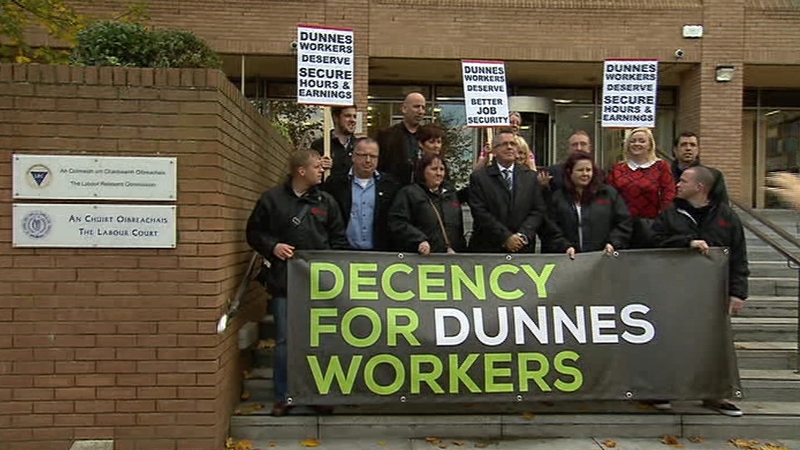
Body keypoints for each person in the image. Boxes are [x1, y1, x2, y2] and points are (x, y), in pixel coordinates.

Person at [245, 149, 350, 417]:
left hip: (319, 285)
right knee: (285, 341)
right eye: (316, 166)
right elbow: (254, 232)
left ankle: (317, 394)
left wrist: (331, 267)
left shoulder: (327, 202)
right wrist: (273, 246)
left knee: (320, 342)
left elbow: (339, 239)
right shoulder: (272, 200)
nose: (321, 170)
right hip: (285, 283)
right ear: (301, 171)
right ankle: (284, 396)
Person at [652, 165, 749, 417]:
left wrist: (738, 292)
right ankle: (663, 389)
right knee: (670, 340)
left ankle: (715, 393)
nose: (677, 184)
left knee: (713, 344)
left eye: (683, 181)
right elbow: (653, 242)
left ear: (700, 187)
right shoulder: (670, 215)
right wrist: (685, 243)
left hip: (713, 293)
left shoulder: (727, 216)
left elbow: (739, 256)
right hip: (674, 291)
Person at [468, 129, 547, 253]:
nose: (509, 147)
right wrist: (506, 237)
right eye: (504, 144)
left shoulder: (530, 177)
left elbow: (538, 210)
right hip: (489, 249)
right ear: (494, 151)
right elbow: (480, 212)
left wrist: (522, 235)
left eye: (513, 144)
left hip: (522, 249)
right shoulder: (479, 178)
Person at [542, 152, 632, 257]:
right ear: (569, 172)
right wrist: (564, 246)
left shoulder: (608, 194)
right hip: (568, 258)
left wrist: (613, 243)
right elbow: (551, 228)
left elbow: (624, 222)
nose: (585, 174)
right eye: (580, 170)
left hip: (603, 257)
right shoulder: (557, 197)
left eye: (588, 170)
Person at [322, 138, 400, 251]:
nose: (368, 160)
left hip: (379, 254)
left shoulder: (390, 185)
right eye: (363, 155)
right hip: (342, 252)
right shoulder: (335, 183)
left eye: (373, 156)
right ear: (353, 156)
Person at [606, 127, 676, 247]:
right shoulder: (618, 168)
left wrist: (662, 220)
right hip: (622, 227)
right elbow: (610, 196)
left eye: (642, 141)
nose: (636, 144)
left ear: (650, 145)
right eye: (633, 141)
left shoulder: (661, 167)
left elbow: (668, 195)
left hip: (651, 227)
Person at [388, 153, 465, 254]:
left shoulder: (450, 195)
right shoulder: (409, 193)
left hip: (452, 257)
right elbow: (398, 222)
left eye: (442, 169)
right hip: (421, 256)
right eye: (434, 169)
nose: (439, 173)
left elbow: (458, 229)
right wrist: (419, 240)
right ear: (422, 171)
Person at [377, 92, 426, 184]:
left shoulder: (427, 136)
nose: (420, 111)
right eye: (416, 107)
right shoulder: (387, 135)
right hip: (394, 189)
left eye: (423, 107)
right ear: (404, 108)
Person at [671, 132, 729, 204]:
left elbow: (722, 205)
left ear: (698, 150)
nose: (688, 148)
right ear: (675, 150)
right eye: (683, 145)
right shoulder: (665, 175)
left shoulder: (713, 176)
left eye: (692, 145)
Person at [311, 106, 357, 180]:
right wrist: (319, 165)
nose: (353, 120)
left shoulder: (359, 146)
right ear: (336, 118)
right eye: (348, 116)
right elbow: (310, 176)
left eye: (355, 116)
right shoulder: (320, 145)